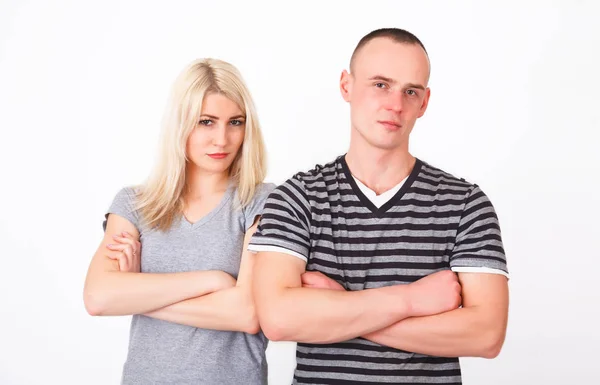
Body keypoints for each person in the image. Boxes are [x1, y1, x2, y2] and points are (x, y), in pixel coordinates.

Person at [249, 28, 509, 384]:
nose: (395, 104)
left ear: (425, 102)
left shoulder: (465, 204)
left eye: (410, 91)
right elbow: (278, 319)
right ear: (346, 86)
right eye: (381, 84)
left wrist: (341, 308)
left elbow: (486, 335)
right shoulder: (299, 197)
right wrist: (411, 300)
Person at [83, 58, 275, 385]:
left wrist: (138, 295)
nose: (222, 139)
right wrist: (214, 280)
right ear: (180, 123)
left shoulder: (262, 201)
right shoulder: (135, 204)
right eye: (206, 122)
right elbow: (99, 297)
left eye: (235, 122)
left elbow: (248, 313)